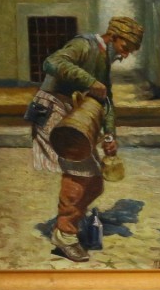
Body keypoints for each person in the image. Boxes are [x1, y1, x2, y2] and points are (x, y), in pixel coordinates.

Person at [24, 16, 144, 262]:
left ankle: (69, 221)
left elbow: (105, 101)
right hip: (52, 109)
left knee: (96, 182)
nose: (125, 55)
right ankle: (65, 235)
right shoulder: (84, 44)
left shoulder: (104, 60)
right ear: (113, 37)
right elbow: (52, 62)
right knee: (80, 172)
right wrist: (89, 81)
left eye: (130, 51)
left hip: (74, 116)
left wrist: (109, 136)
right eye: (125, 48)